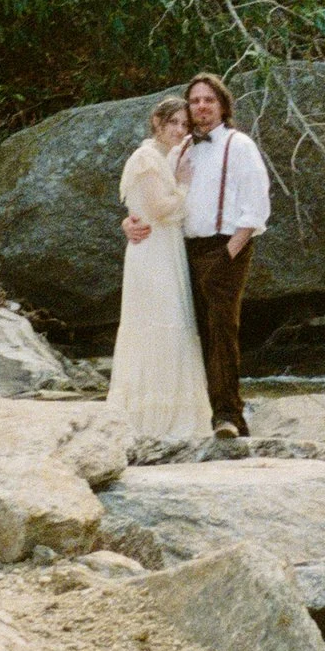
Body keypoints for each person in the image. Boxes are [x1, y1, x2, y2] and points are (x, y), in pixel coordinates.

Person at [127, 72, 268, 437]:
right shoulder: (180, 148)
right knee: (192, 332)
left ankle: (229, 417)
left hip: (225, 247)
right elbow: (153, 194)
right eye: (195, 100)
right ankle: (196, 414)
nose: (201, 106)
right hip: (183, 249)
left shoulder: (239, 145)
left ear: (222, 105)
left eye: (208, 99)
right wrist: (129, 222)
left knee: (222, 329)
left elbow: (257, 206)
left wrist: (230, 251)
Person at [107, 96, 213, 440]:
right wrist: (183, 185)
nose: (180, 130)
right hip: (152, 252)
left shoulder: (170, 157)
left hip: (169, 250)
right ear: (158, 122)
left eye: (185, 125)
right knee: (156, 323)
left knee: (175, 324)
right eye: (174, 123)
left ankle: (177, 413)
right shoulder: (146, 158)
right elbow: (158, 208)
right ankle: (148, 419)